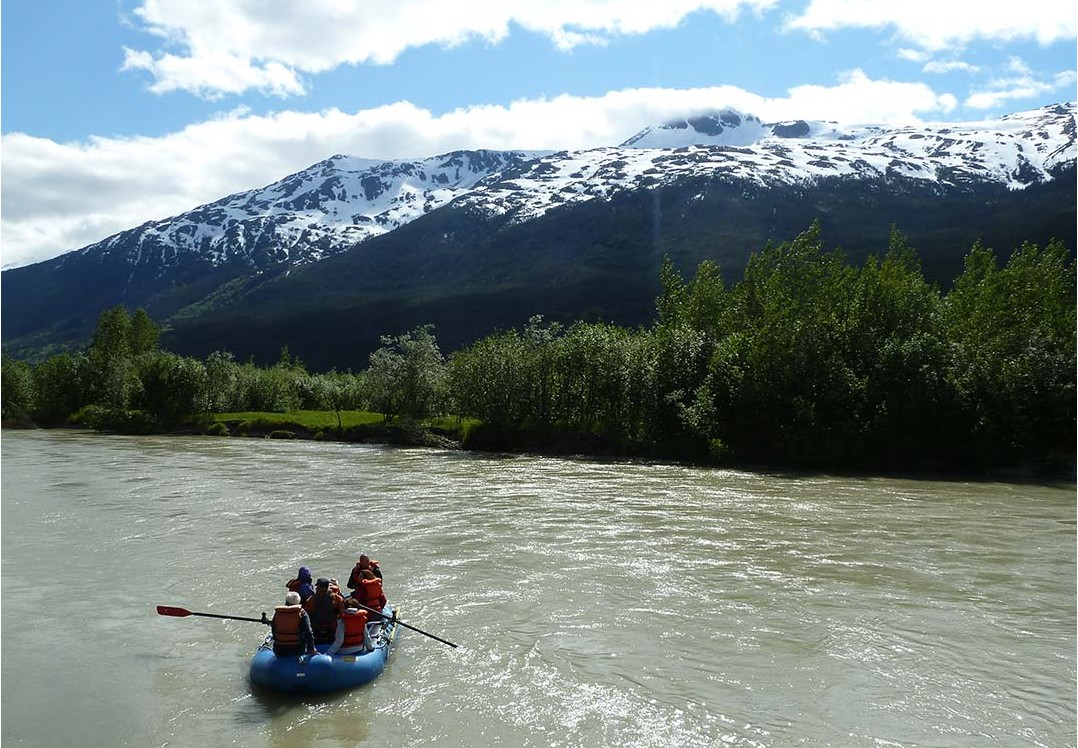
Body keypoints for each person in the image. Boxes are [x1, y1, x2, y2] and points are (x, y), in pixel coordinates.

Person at [270, 591, 317, 657]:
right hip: (297, 649)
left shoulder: (278, 613)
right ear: (298, 602)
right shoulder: (302, 613)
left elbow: (274, 631)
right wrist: (311, 649)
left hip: (279, 649)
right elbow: (308, 632)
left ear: (286, 603)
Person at [304, 577, 345, 643]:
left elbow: (307, 614)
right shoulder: (337, 598)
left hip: (316, 630)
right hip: (332, 630)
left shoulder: (311, 600)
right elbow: (342, 614)